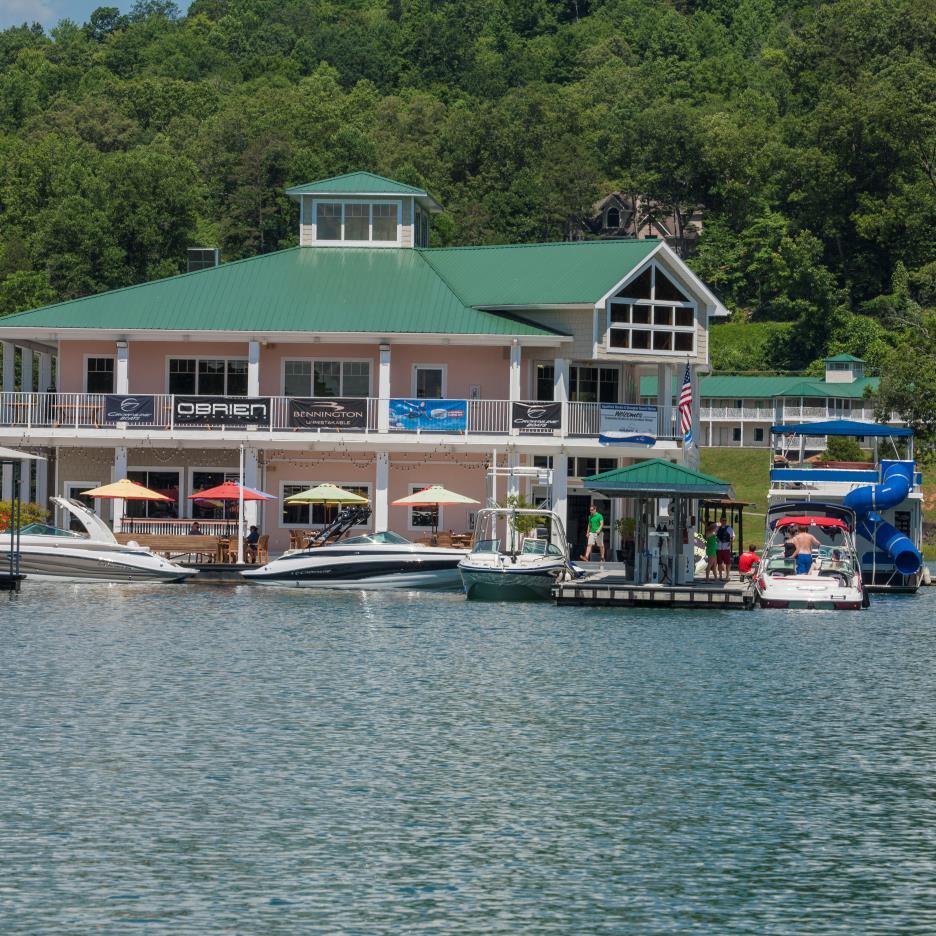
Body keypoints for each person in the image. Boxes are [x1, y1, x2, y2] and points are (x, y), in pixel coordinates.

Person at [715, 515, 734, 581]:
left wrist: (731, 542)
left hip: (726, 548)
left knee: (728, 563)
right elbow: (714, 535)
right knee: (719, 563)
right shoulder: (717, 528)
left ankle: (727, 576)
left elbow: (733, 536)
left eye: (725, 520)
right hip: (719, 548)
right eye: (723, 520)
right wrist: (716, 539)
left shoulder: (729, 528)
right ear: (720, 521)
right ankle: (720, 576)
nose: (724, 521)